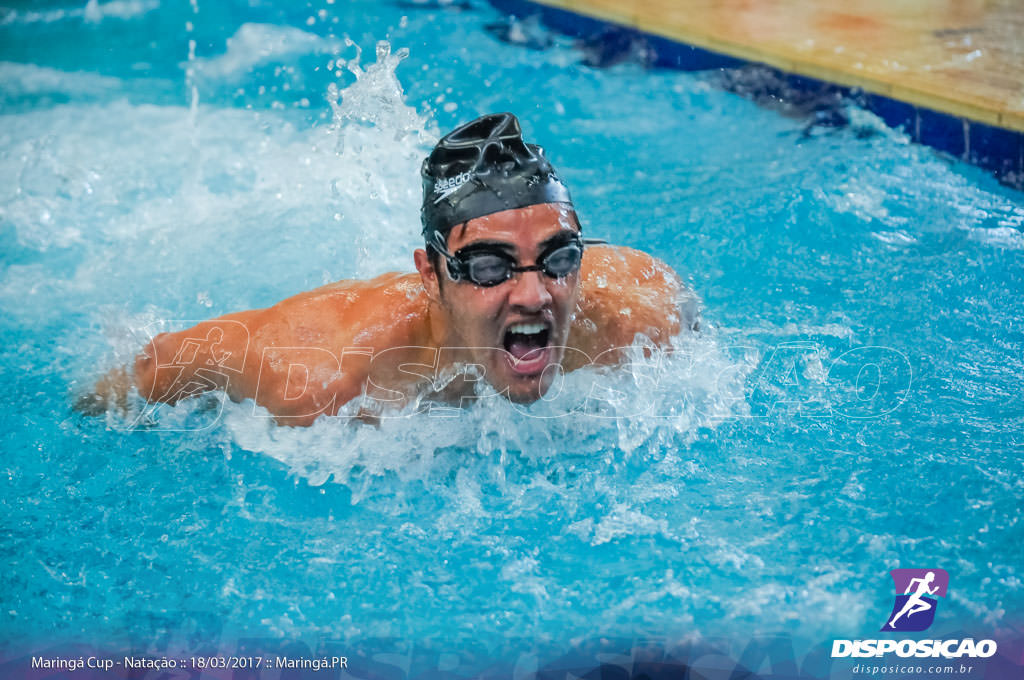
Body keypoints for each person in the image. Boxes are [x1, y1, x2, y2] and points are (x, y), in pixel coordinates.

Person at [80, 113, 698, 426]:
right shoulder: (325, 379)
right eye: (489, 265)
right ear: (430, 275)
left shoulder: (639, 318)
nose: (535, 294)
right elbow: (151, 369)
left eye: (558, 257)